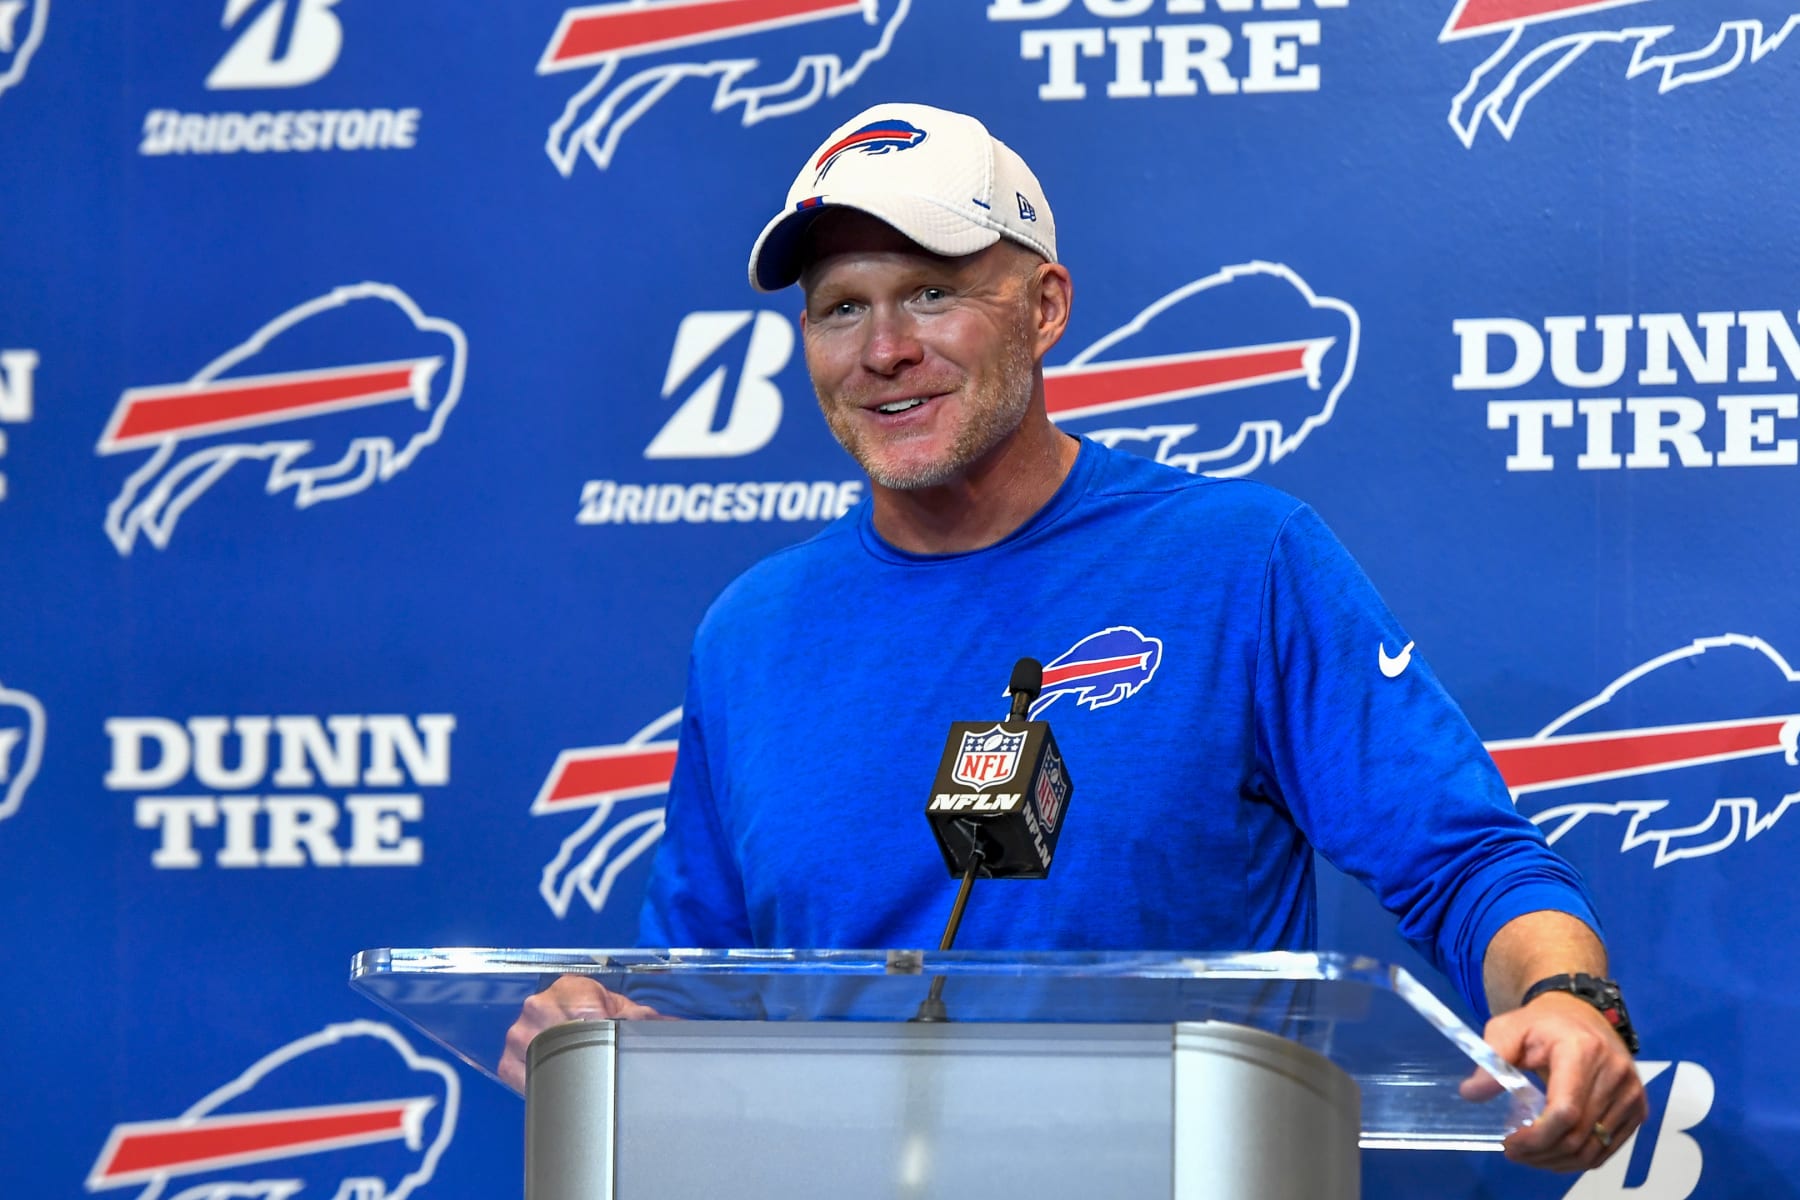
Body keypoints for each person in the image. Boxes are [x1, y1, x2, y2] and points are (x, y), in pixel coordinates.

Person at [503, 102, 1646, 1173]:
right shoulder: (748, 632)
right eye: (841, 306)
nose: (884, 348)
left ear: (1045, 307)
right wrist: (598, 1034)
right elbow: (700, 998)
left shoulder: (1240, 562)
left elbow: (1467, 866)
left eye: (932, 294)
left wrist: (1567, 1000)